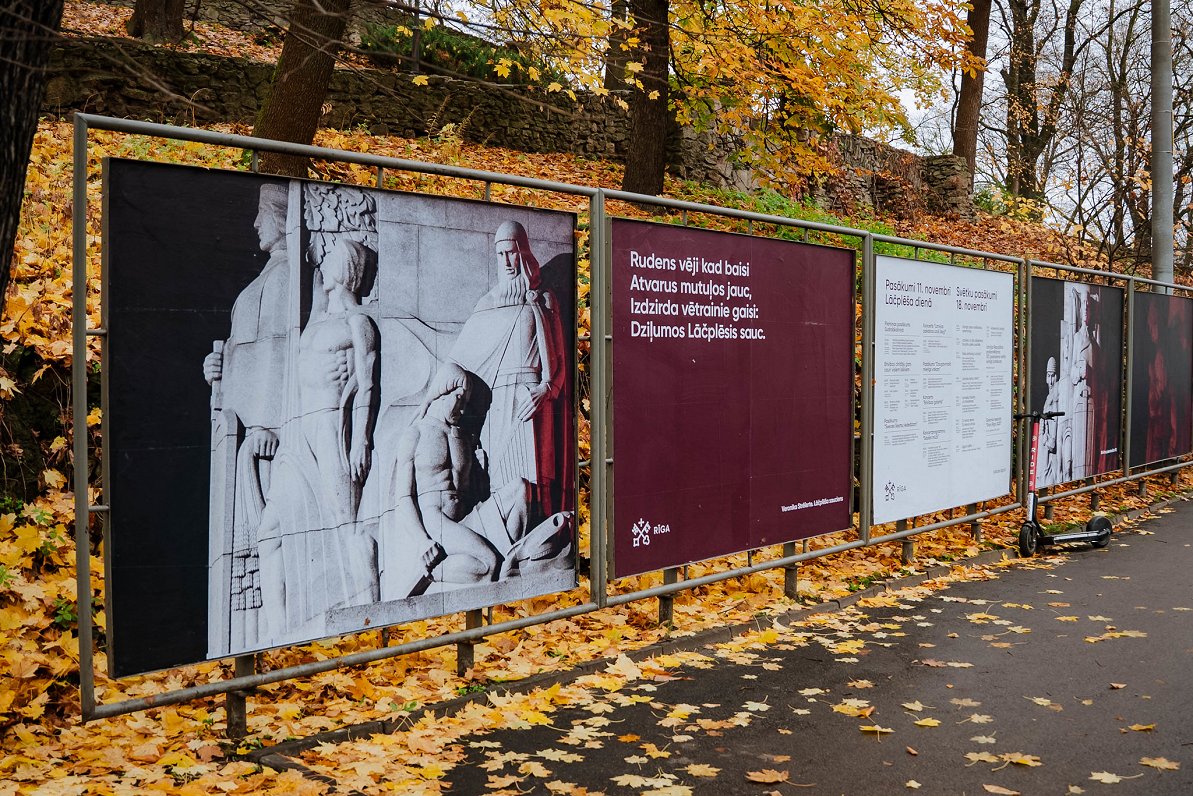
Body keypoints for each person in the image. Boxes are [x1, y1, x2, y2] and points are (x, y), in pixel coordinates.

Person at [254, 239, 380, 642]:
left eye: (328, 259)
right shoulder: (316, 322)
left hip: (331, 428)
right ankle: (276, 637)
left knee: (349, 525)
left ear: (344, 267)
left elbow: (368, 384)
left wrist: (360, 437)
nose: (322, 265)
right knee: (270, 530)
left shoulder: (359, 322)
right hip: (298, 431)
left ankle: (375, 617)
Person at [383, 364, 574, 596]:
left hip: (468, 518)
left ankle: (512, 558)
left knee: (521, 490)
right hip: (437, 522)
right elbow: (403, 498)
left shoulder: (464, 437)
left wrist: (480, 473)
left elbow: (477, 492)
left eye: (465, 403)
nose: (462, 409)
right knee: (488, 563)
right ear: (443, 391)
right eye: (459, 399)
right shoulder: (415, 434)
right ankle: (433, 571)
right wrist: (422, 541)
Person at [203, 183, 290, 651]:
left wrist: (269, 422)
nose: (256, 224)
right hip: (245, 436)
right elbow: (249, 356)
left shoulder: (289, 279)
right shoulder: (260, 284)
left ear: (281, 216)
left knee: (266, 546)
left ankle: (275, 642)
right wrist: (218, 371)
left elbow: (283, 354)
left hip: (266, 441)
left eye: (263, 214)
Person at [448, 221, 568, 518]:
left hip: (532, 400)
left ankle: (542, 548)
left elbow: (561, 363)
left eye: (511, 253)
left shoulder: (544, 299)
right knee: (499, 478)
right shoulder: (487, 304)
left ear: (523, 252)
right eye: (500, 254)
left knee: (537, 483)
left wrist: (546, 390)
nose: (506, 261)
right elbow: (461, 361)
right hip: (496, 402)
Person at [1038, 356, 1062, 487]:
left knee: (1047, 476)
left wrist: (1048, 439)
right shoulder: (1049, 397)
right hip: (1045, 441)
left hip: (1050, 443)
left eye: (1053, 376)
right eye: (1048, 376)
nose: (1051, 381)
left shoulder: (1057, 395)